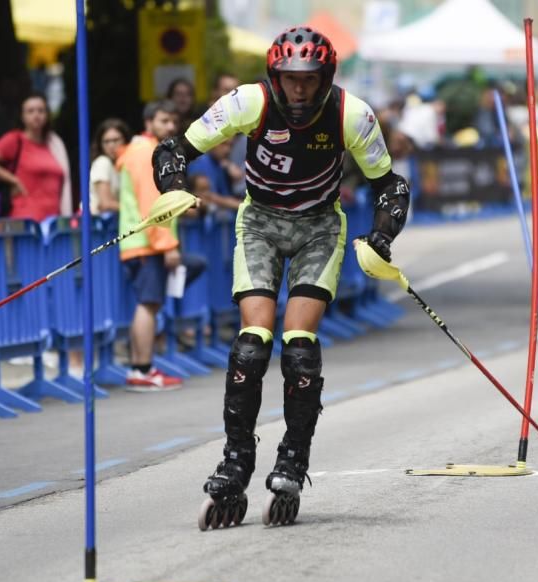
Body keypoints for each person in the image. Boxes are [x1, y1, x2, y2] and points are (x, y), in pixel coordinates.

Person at [151, 26, 410, 526]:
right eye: (290, 79)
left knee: (298, 345)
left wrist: (382, 235)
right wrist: (175, 188)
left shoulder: (351, 115)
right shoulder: (249, 102)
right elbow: (173, 150)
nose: (298, 89)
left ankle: (293, 457)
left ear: (325, 77)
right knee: (252, 342)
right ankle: (236, 460)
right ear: (275, 77)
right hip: (260, 225)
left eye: (308, 79)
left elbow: (390, 186)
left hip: (319, 228)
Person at [118, 100, 206, 392]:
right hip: (146, 243)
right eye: (164, 120)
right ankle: (141, 370)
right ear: (148, 121)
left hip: (142, 242)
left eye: (173, 121)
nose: (171, 126)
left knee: (151, 305)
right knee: (148, 305)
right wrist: (167, 245)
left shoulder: (144, 150)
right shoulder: (146, 152)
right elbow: (151, 204)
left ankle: (143, 368)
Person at [0, 92, 73, 220]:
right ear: (22, 116)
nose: (36, 115)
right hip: (26, 223)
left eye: (41, 111)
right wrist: (13, 180)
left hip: (54, 223)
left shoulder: (54, 144)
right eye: (30, 111)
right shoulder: (15, 139)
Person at [89, 118, 131, 215]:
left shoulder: (122, 165)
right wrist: (137, 208)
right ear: (100, 144)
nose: (111, 145)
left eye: (116, 140)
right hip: (99, 225)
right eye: (106, 141)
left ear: (125, 140)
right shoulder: (102, 162)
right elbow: (105, 204)